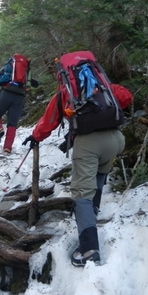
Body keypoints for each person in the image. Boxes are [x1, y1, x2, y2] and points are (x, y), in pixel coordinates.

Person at [22, 53, 132, 267]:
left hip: (88, 144)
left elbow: (49, 121)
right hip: (116, 140)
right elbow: (126, 97)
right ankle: (93, 211)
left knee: (82, 192)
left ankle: (89, 249)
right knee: (99, 175)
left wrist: (35, 136)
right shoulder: (104, 85)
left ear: (64, 73)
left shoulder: (67, 93)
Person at [0, 54, 31, 154]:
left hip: (6, 93)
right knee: (12, 124)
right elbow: (31, 84)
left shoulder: (8, 67)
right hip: (19, 97)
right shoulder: (26, 70)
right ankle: (7, 148)